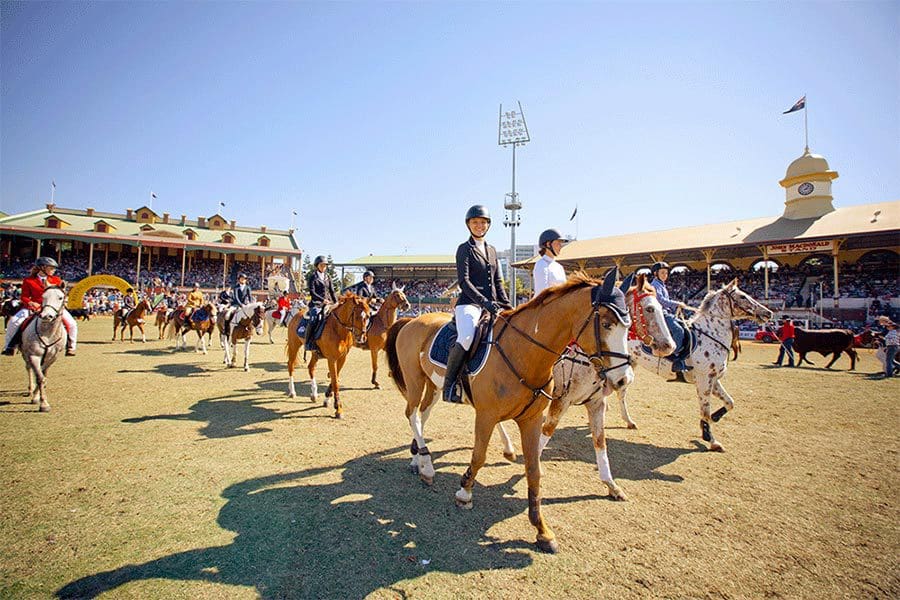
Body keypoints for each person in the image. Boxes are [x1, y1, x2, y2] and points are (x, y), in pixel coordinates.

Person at [443, 205, 511, 403]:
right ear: (469, 225)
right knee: (466, 336)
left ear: (488, 225)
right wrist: (484, 302)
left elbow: (498, 281)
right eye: (475, 222)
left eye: (483, 222)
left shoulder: (491, 250)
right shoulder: (464, 249)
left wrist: (507, 306)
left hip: (491, 304)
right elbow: (464, 281)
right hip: (469, 304)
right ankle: (450, 385)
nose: (479, 226)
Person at [2, 256, 78, 356]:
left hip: (53, 307)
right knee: (14, 322)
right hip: (33, 307)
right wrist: (31, 303)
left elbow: (61, 295)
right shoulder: (29, 280)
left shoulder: (56, 280)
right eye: (51, 268)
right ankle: (9, 346)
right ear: (42, 268)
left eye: (54, 268)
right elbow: (24, 297)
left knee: (72, 324)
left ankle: (71, 347)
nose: (54, 270)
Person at [649, 261, 691, 382]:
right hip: (661, 314)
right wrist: (677, 303)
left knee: (685, 327)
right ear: (656, 273)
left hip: (667, 313)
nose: (665, 275)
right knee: (678, 330)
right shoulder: (655, 285)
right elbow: (661, 300)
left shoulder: (662, 285)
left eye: (666, 273)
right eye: (662, 273)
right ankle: (675, 359)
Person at [304, 255, 338, 351]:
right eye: (321, 265)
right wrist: (322, 300)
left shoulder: (328, 277)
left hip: (328, 304)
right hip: (316, 303)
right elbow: (312, 292)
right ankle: (308, 342)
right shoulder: (313, 277)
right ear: (317, 265)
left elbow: (332, 291)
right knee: (314, 319)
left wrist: (336, 302)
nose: (323, 267)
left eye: (325, 265)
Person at [533, 228, 567, 296]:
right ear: (548, 244)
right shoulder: (541, 264)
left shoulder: (559, 267)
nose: (561, 246)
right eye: (558, 243)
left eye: (561, 243)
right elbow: (541, 293)